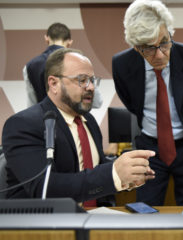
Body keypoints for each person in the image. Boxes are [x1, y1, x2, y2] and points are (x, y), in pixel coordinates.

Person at [2, 48, 155, 205]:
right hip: (44, 225)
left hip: (95, 218)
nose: (91, 87)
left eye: (92, 80)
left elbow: (97, 170)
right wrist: (113, 174)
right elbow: (44, 187)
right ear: (54, 83)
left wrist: (127, 175)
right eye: (82, 80)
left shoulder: (88, 121)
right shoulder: (23, 124)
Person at [112, 0, 183, 206]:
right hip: (149, 147)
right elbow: (132, 103)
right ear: (135, 47)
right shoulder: (121, 64)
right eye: (148, 49)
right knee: (146, 210)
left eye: (164, 42)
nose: (160, 54)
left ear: (169, 32)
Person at [23, 22, 102, 108]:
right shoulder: (80, 62)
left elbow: (32, 103)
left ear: (46, 38)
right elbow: (97, 102)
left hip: (43, 118)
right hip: (72, 119)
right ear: (69, 42)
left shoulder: (29, 66)